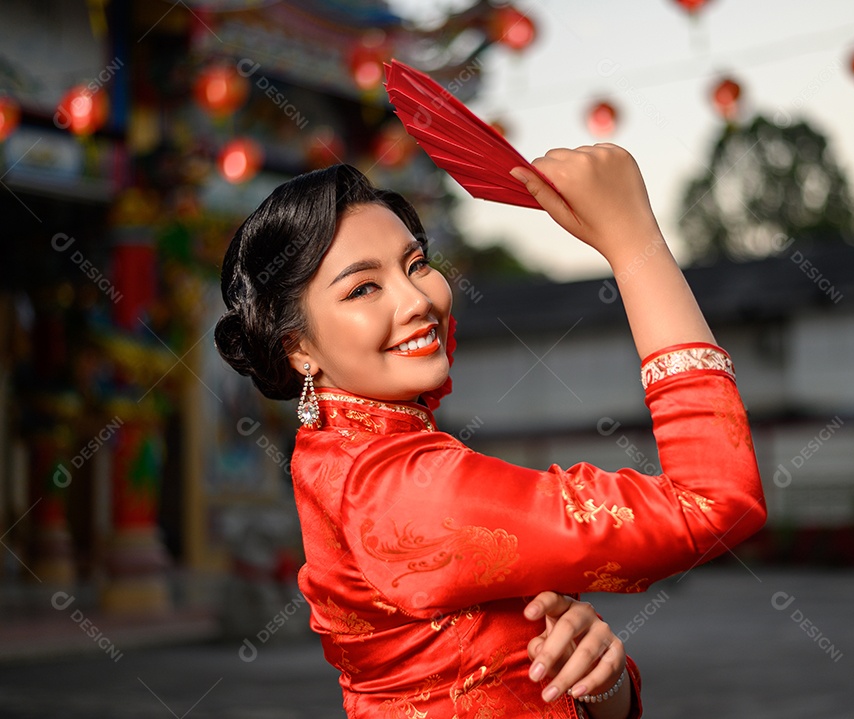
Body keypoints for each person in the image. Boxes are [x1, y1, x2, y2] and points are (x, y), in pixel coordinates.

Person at [214, 143, 766, 718]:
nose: (418, 299)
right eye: (362, 288)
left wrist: (601, 683)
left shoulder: (345, 453)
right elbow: (713, 500)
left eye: (416, 264)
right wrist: (633, 241)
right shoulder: (397, 487)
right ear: (298, 348)